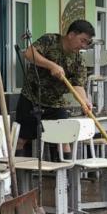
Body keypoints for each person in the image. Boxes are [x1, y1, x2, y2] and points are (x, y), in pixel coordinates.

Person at [15, 20, 95, 158]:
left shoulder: (78, 61)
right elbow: (29, 53)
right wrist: (51, 65)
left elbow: (78, 85)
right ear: (71, 34)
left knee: (63, 140)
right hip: (32, 99)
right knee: (21, 139)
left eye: (86, 43)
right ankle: (17, 177)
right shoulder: (50, 40)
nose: (83, 46)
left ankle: (64, 178)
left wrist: (84, 101)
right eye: (82, 40)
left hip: (56, 103)